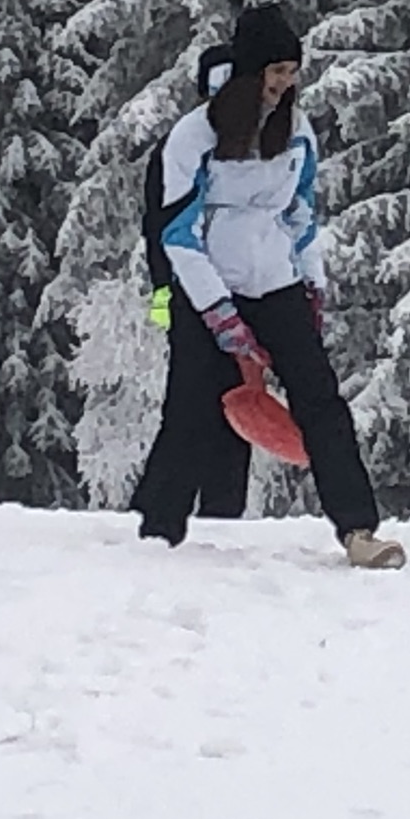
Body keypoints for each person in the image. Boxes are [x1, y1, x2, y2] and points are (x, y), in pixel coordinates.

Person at [133, 5, 406, 569]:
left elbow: (302, 213)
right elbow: (177, 234)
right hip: (206, 289)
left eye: (292, 71)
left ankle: (358, 528)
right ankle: (158, 530)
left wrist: (312, 282)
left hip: (277, 285)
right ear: (249, 70)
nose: (286, 83)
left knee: (321, 402)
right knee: (189, 410)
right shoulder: (193, 135)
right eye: (276, 70)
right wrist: (217, 312)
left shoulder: (296, 129)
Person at [131, 42, 250, 524]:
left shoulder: (251, 146)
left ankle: (223, 511)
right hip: (188, 292)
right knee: (189, 403)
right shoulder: (181, 146)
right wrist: (163, 293)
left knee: (237, 404)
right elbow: (158, 228)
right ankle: (158, 511)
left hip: (243, 292)